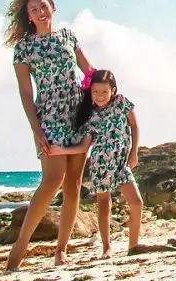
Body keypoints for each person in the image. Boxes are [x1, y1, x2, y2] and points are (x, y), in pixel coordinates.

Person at [2, 0, 94, 271]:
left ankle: (61, 250)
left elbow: (89, 72)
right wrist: (36, 130)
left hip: (77, 114)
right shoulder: (24, 49)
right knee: (52, 180)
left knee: (74, 184)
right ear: (28, 17)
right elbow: (26, 94)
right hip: (49, 118)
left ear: (52, 7)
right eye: (34, 9)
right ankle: (19, 248)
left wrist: (102, 100)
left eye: (43, 6)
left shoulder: (68, 36)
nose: (41, 12)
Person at [50, 69, 143, 258]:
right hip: (100, 163)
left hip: (120, 164)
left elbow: (134, 125)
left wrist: (134, 152)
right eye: (95, 92)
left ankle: (133, 246)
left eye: (104, 92)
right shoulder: (90, 116)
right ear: (90, 92)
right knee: (103, 205)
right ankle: (107, 248)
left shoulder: (121, 103)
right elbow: (84, 147)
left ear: (113, 90)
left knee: (136, 203)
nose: (100, 96)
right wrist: (62, 151)